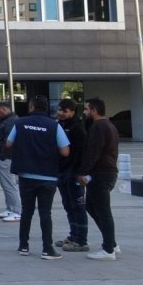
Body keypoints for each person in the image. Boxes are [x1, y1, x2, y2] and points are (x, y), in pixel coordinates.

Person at [6, 95, 70, 260]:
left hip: (26, 174)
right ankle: (47, 249)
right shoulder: (54, 126)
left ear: (31, 107)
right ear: (47, 108)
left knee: (26, 211)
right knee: (45, 213)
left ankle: (23, 246)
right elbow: (65, 151)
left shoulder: (20, 123)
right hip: (48, 175)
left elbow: (8, 143)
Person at [78, 97, 121, 261]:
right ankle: (112, 243)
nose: (84, 112)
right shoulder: (109, 125)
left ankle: (108, 249)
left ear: (94, 111)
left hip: (102, 174)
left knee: (103, 212)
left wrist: (83, 171)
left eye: (86, 109)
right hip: (106, 172)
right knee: (91, 206)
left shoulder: (98, 127)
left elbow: (93, 152)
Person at [54, 99, 89, 251]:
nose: (61, 113)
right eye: (59, 110)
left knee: (77, 206)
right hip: (62, 171)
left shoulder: (77, 128)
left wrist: (80, 172)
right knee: (68, 205)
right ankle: (73, 235)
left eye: (65, 111)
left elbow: (82, 152)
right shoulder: (60, 125)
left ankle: (81, 240)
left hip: (73, 172)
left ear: (73, 112)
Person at [0, 100, 22, 221]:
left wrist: (3, 156)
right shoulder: (7, 121)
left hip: (7, 158)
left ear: (4, 109)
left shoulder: (11, 121)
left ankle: (16, 210)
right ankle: (10, 208)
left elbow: (9, 141)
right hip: (5, 157)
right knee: (6, 185)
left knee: (9, 185)